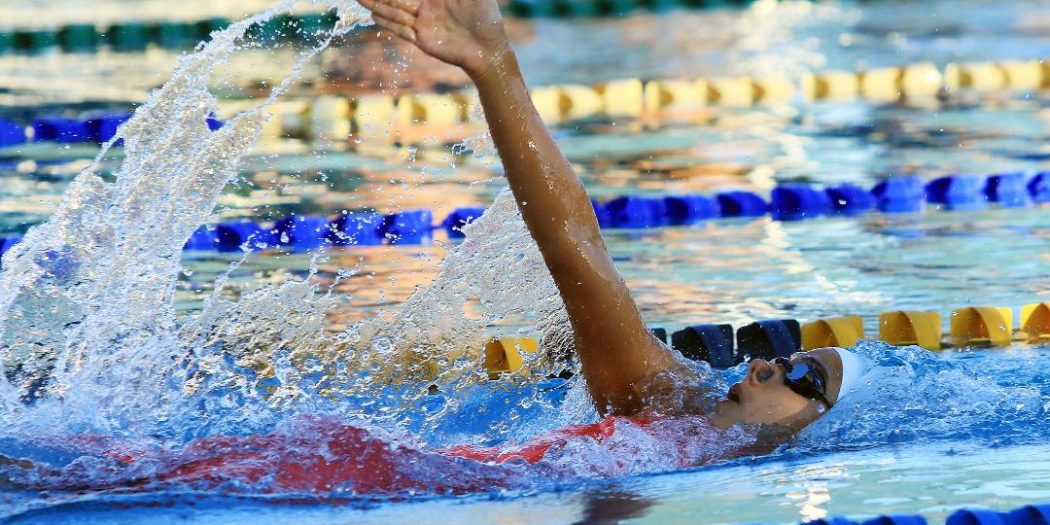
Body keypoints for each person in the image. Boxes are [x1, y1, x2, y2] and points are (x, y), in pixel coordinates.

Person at [355, 0, 872, 435]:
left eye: (802, 375)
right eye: (783, 360)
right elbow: (576, 250)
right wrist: (493, 64)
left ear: (825, 423)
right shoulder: (668, 402)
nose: (759, 364)